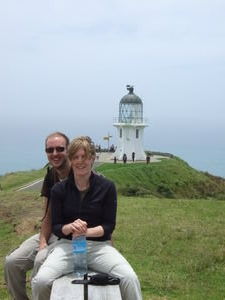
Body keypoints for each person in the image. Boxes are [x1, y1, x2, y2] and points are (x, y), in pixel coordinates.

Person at [31, 136, 142, 300]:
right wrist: (69, 228)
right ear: (70, 159)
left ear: (92, 158)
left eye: (85, 157)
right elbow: (56, 226)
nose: (80, 161)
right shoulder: (59, 190)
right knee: (40, 281)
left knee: (130, 278)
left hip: (99, 247)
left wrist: (85, 231)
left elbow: (109, 226)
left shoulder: (107, 187)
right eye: (75, 157)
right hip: (68, 246)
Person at [4, 132, 71, 300]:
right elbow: (47, 215)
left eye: (59, 149)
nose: (54, 154)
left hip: (69, 237)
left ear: (68, 150)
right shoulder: (51, 175)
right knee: (12, 262)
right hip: (51, 232)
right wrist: (42, 242)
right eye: (50, 150)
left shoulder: (79, 175)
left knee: (41, 262)